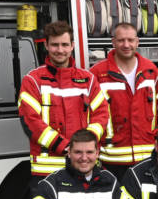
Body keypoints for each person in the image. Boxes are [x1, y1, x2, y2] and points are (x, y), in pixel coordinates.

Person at [18, 21, 109, 178]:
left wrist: (84, 147)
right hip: (47, 171)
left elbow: (101, 115)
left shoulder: (88, 80)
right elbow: (30, 121)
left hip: (84, 166)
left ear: (72, 46)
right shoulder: (32, 80)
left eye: (65, 45)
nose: (60, 50)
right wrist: (65, 147)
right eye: (55, 45)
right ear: (46, 45)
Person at [90, 23, 158, 180]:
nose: (126, 45)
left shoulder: (151, 70)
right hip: (112, 160)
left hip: (147, 158)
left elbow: (157, 103)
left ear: (137, 42)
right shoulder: (97, 74)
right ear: (113, 42)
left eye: (130, 40)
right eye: (121, 40)